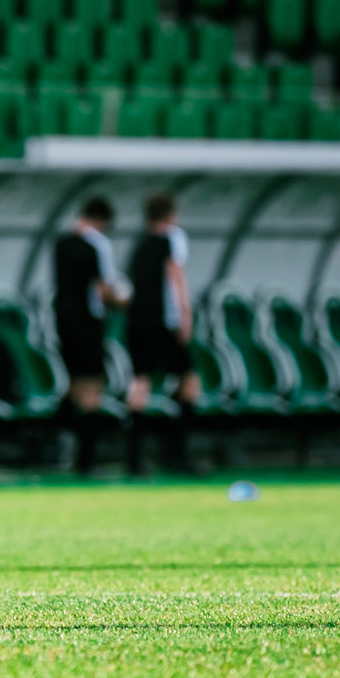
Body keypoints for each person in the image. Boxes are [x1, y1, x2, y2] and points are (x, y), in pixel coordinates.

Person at [52, 196, 131, 477]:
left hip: (63, 320)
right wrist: (126, 301)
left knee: (74, 382)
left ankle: (58, 442)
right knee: (92, 386)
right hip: (88, 321)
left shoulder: (61, 243)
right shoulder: (97, 244)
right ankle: (86, 459)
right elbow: (103, 289)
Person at [125, 191, 202, 473]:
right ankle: (176, 454)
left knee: (139, 385)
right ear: (171, 214)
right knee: (189, 382)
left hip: (137, 322)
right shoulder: (173, 237)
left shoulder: (140, 244)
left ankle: (134, 460)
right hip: (163, 323)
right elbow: (175, 275)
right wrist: (185, 315)